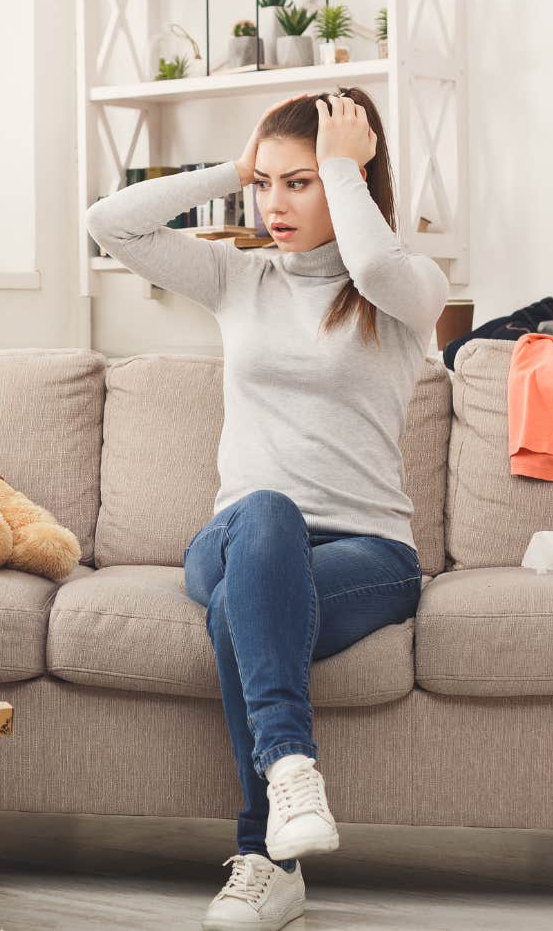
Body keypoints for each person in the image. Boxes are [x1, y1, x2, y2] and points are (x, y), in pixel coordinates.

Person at [83, 89, 449, 931]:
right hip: (240, 531)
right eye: (265, 185)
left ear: (351, 183)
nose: (273, 206)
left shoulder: (405, 295)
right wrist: (229, 167)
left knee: (240, 619)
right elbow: (111, 222)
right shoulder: (236, 276)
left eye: (301, 184)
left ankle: (264, 860)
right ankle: (290, 769)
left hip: (368, 554)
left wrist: (344, 168)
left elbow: (379, 267)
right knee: (267, 516)